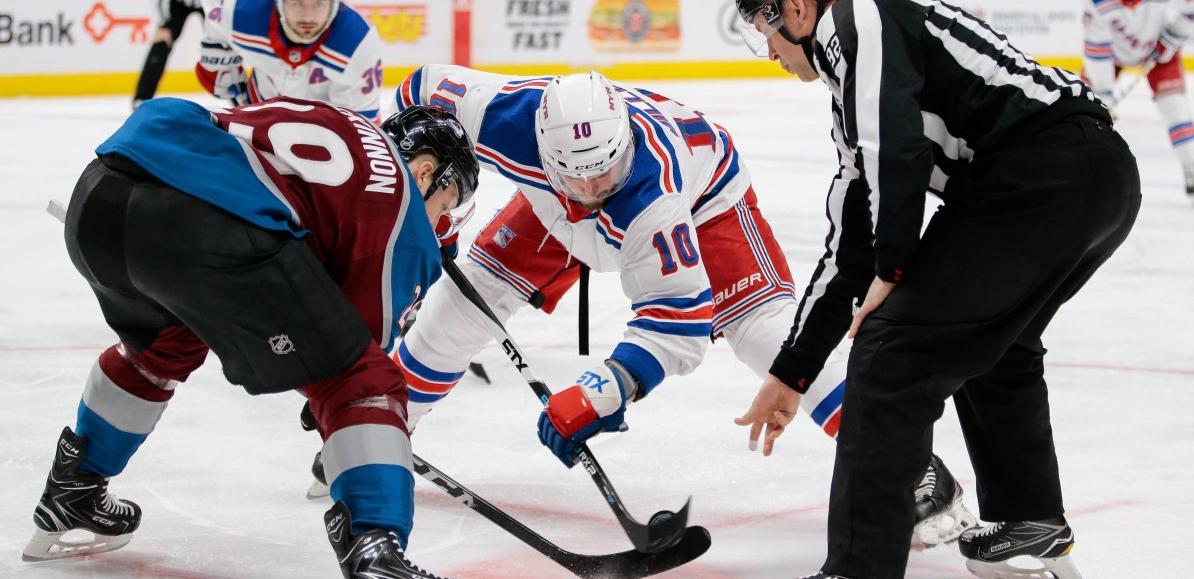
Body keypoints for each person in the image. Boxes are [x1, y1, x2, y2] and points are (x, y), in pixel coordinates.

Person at [377, 64, 971, 548]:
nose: (592, 192)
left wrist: (602, 391)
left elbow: (677, 321)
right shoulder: (500, 111)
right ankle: (378, 431)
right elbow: (415, 96)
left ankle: (910, 464)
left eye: (604, 172)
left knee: (770, 337)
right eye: (578, 178)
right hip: (546, 207)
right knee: (464, 300)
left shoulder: (649, 190)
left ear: (623, 144)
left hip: (706, 201)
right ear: (543, 147)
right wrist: (417, 206)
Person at [733, 0, 1141, 578]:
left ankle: (858, 568)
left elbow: (894, 152)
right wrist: (791, 373)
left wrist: (893, 271)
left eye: (763, 33)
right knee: (997, 341)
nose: (769, 53)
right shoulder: (855, 94)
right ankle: (1028, 524)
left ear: (794, 8)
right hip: (1091, 177)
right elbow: (851, 243)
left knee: (893, 355)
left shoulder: (857, 17)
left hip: (1042, 171)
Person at [22, 96, 479, 579]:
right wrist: (342, 408)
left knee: (160, 349)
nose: (437, 222)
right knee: (362, 382)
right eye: (445, 206)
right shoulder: (402, 199)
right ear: (427, 172)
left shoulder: (341, 123)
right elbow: (355, 353)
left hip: (103, 193)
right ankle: (375, 553)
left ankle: (72, 494)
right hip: (205, 226)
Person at [196, 0, 384, 122]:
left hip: (324, 136)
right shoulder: (241, 9)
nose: (308, 17)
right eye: (297, 3)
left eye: (319, 4)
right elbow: (216, 5)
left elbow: (360, 131)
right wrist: (223, 75)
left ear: (334, 2)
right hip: (257, 119)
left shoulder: (357, 41)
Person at [1083, 0, 1194, 201]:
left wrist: (1171, 39)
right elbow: (1096, 53)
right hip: (1112, 56)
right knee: (1088, 110)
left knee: (1175, 108)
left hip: (1158, 50)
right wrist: (1104, 96)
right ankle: (1084, 171)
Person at [133, 0, 231, 110]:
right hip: (178, 4)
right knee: (160, 43)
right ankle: (142, 97)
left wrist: (223, 25)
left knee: (224, 47)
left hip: (209, 5)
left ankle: (238, 98)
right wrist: (163, 24)